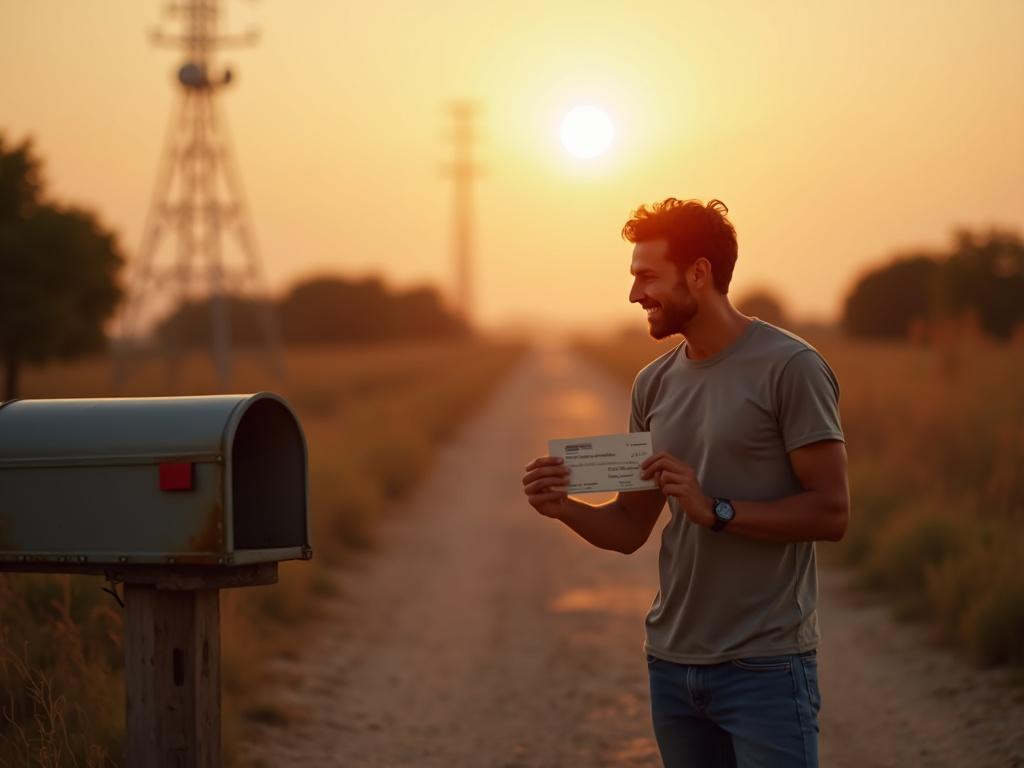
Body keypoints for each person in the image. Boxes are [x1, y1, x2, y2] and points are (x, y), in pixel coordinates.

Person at [521, 198, 849, 768]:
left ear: (699, 273)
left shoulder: (791, 368)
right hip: (672, 666)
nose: (633, 295)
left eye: (647, 277)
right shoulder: (652, 384)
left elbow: (831, 514)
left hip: (766, 665)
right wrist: (564, 507)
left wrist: (716, 510)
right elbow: (628, 529)